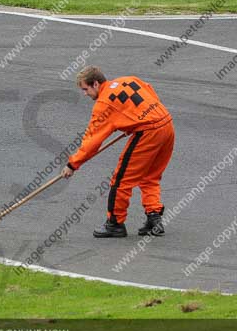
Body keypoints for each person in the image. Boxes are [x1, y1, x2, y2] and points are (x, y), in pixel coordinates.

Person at [62, 66, 174, 238]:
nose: (85, 94)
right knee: (150, 176)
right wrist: (136, 118)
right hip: (166, 124)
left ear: (96, 84)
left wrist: (72, 164)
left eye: (86, 89)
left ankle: (115, 223)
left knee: (121, 180)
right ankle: (154, 218)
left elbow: (92, 141)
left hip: (148, 132)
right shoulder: (128, 79)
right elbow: (150, 92)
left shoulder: (103, 104)